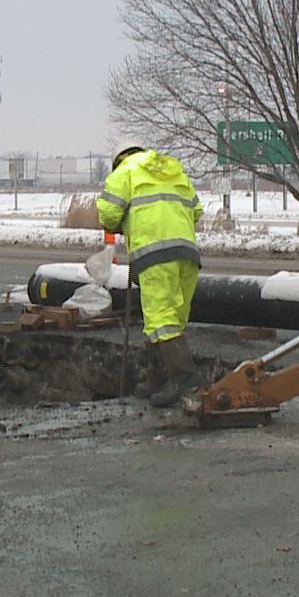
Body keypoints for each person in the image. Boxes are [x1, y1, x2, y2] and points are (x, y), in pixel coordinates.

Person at [96, 141, 203, 407]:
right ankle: (160, 378)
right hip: (187, 253)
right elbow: (197, 211)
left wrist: (126, 222)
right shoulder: (174, 170)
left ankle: (184, 379)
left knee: (160, 318)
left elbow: (108, 214)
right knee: (171, 319)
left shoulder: (124, 172)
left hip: (154, 254)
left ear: (119, 158)